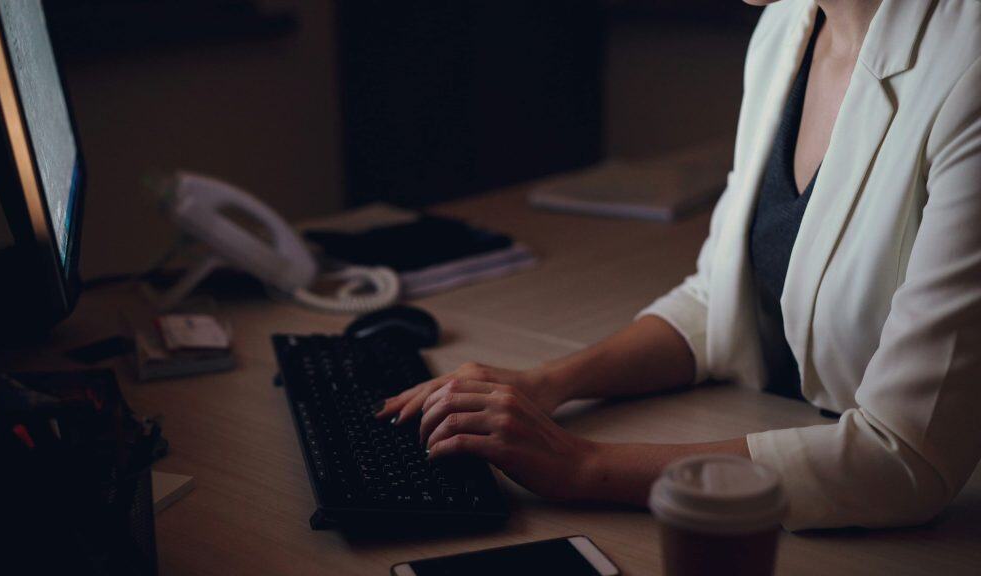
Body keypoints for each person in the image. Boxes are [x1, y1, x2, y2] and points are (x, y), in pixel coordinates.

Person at [377, 0, 981, 530]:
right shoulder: (786, 27)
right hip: (777, 437)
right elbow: (719, 302)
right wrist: (547, 385)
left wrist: (583, 466)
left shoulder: (969, 65)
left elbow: (905, 456)